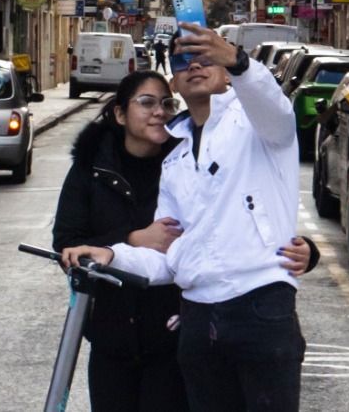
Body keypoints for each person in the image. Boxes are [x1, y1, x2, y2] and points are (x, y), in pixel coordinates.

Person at [62, 24, 307, 412]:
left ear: (225, 71)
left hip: (260, 307)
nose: (194, 65)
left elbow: (273, 105)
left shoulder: (258, 124)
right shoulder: (174, 158)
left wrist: (240, 61)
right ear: (174, 80)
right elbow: (169, 254)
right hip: (197, 319)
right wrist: (113, 254)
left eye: (205, 57)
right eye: (182, 60)